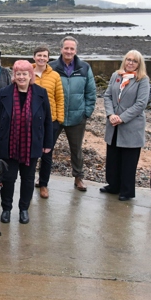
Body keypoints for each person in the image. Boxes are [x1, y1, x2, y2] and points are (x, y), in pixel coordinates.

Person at [0, 60, 53, 225]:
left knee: (28, 179)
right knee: (8, 178)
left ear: (30, 75)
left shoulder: (41, 93)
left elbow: (47, 120)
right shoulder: (5, 92)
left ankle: (24, 209)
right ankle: (6, 209)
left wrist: (47, 143)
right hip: (7, 144)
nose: (21, 77)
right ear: (14, 76)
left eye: (25, 73)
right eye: (18, 73)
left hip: (31, 144)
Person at [101, 50, 150, 201]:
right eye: (128, 59)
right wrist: (110, 114)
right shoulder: (116, 76)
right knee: (113, 158)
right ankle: (113, 185)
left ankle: (127, 191)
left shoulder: (143, 80)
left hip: (131, 126)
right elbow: (108, 96)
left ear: (139, 64)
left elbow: (141, 104)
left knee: (128, 161)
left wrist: (121, 118)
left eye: (134, 61)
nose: (130, 63)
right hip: (113, 124)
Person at [51, 36, 96, 192]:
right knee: (46, 148)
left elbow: (91, 92)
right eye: (66, 48)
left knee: (76, 150)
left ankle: (78, 177)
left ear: (76, 51)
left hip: (77, 117)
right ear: (61, 49)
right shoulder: (52, 67)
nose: (69, 51)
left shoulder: (84, 67)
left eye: (72, 49)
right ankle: (42, 178)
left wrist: (87, 112)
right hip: (55, 117)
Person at [32, 45, 65, 199]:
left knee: (47, 155)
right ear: (34, 57)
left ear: (48, 58)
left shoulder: (55, 76)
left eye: (45, 56)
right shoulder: (28, 72)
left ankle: (43, 184)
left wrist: (59, 119)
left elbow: (59, 98)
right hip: (30, 121)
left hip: (50, 122)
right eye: (39, 55)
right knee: (30, 154)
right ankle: (29, 181)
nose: (42, 58)